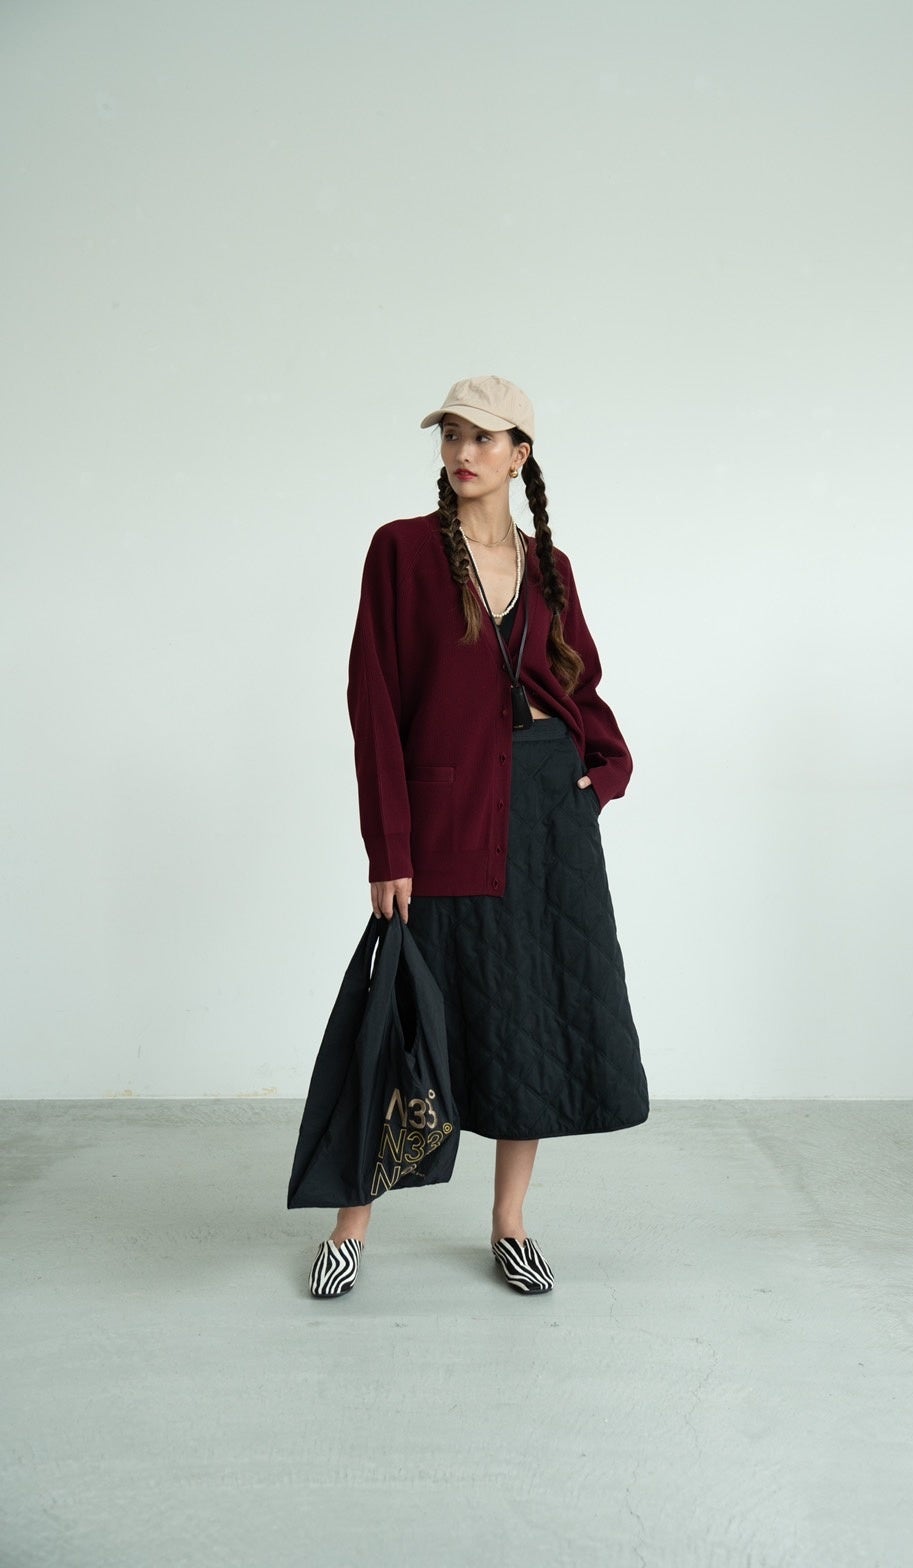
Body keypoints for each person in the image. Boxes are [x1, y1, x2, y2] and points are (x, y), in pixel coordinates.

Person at [308, 375, 649, 1299]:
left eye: (483, 438)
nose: (462, 453)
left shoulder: (549, 566)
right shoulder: (402, 550)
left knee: (525, 1016)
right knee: (404, 1018)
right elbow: (374, 701)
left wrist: (602, 771)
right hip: (448, 813)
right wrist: (390, 846)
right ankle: (350, 1225)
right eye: (452, 435)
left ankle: (509, 1223)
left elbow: (580, 682)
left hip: (544, 811)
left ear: (519, 455)